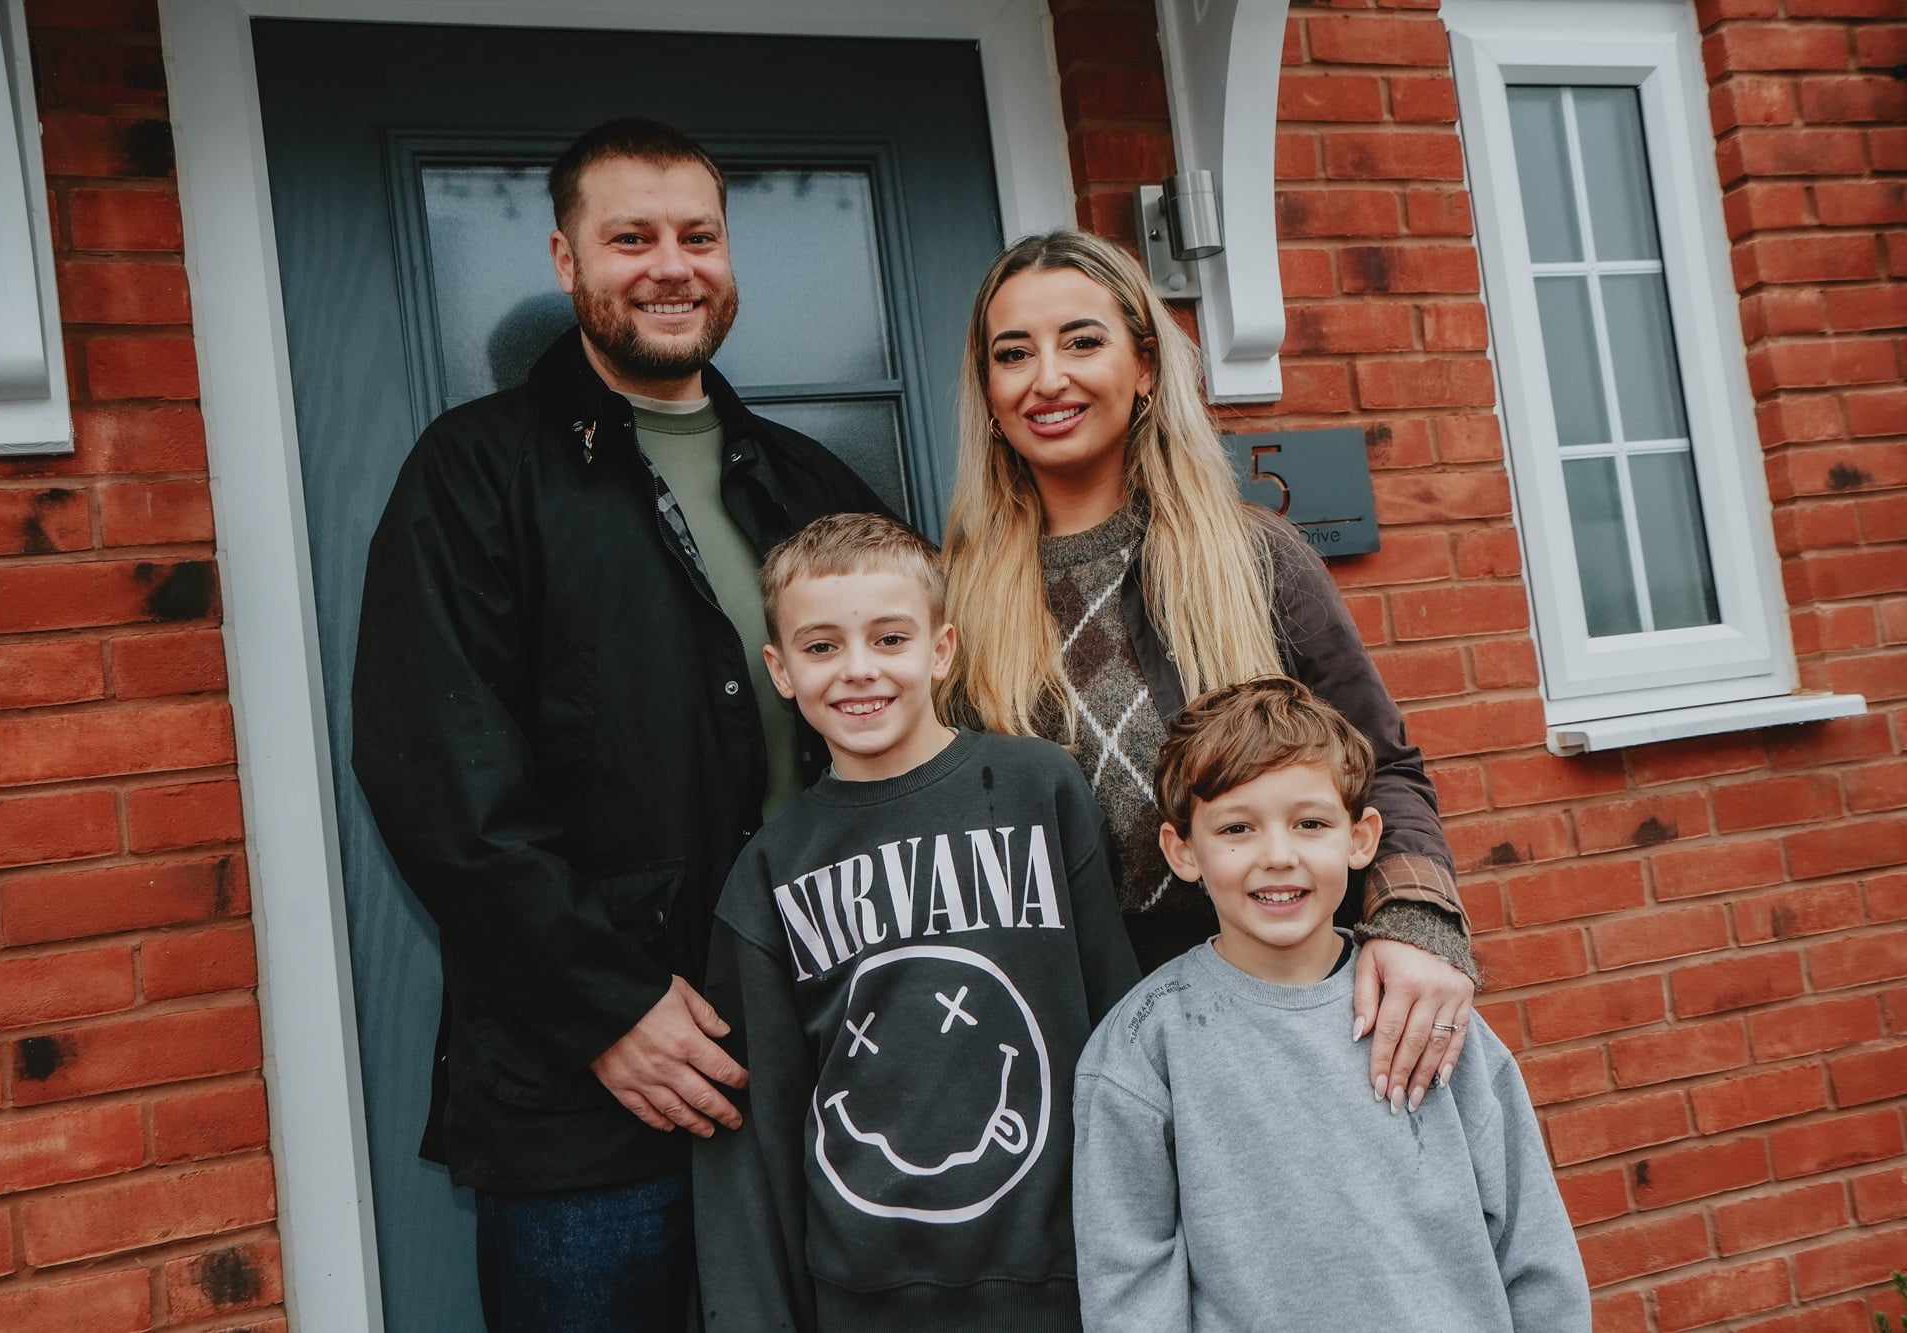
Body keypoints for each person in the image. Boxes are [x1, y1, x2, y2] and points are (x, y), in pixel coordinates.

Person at [350, 118, 888, 1332]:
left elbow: (905, 737)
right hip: (586, 1093)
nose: (670, 267)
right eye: (630, 238)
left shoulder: (808, 484)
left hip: (824, 1050)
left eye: (697, 236)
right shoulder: (474, 472)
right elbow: (440, 779)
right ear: (566, 259)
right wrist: (606, 1004)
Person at [941, 229, 1476, 1112]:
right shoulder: (951, 602)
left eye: (1082, 341)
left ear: (1145, 366)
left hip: (1278, 1011)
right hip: (1071, 1045)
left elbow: (1384, 767)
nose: (1048, 378)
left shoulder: (1253, 557)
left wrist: (1417, 923)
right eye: (1013, 353)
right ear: (989, 391)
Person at [694, 512, 1141, 1331]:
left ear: (941, 649)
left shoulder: (1040, 789)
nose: (858, 669)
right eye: (821, 646)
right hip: (867, 1299)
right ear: (781, 669)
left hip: (1067, 1278)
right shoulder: (769, 873)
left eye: (889, 638)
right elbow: (762, 1134)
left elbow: (1119, 1023)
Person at [1073, 679, 1589, 1331]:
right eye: (1237, 828)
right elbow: (1129, 1283)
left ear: (1361, 837)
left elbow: (1532, 1243)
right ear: (1183, 851)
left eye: (1310, 823)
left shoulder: (1423, 1011)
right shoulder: (1144, 1046)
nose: (1278, 856)